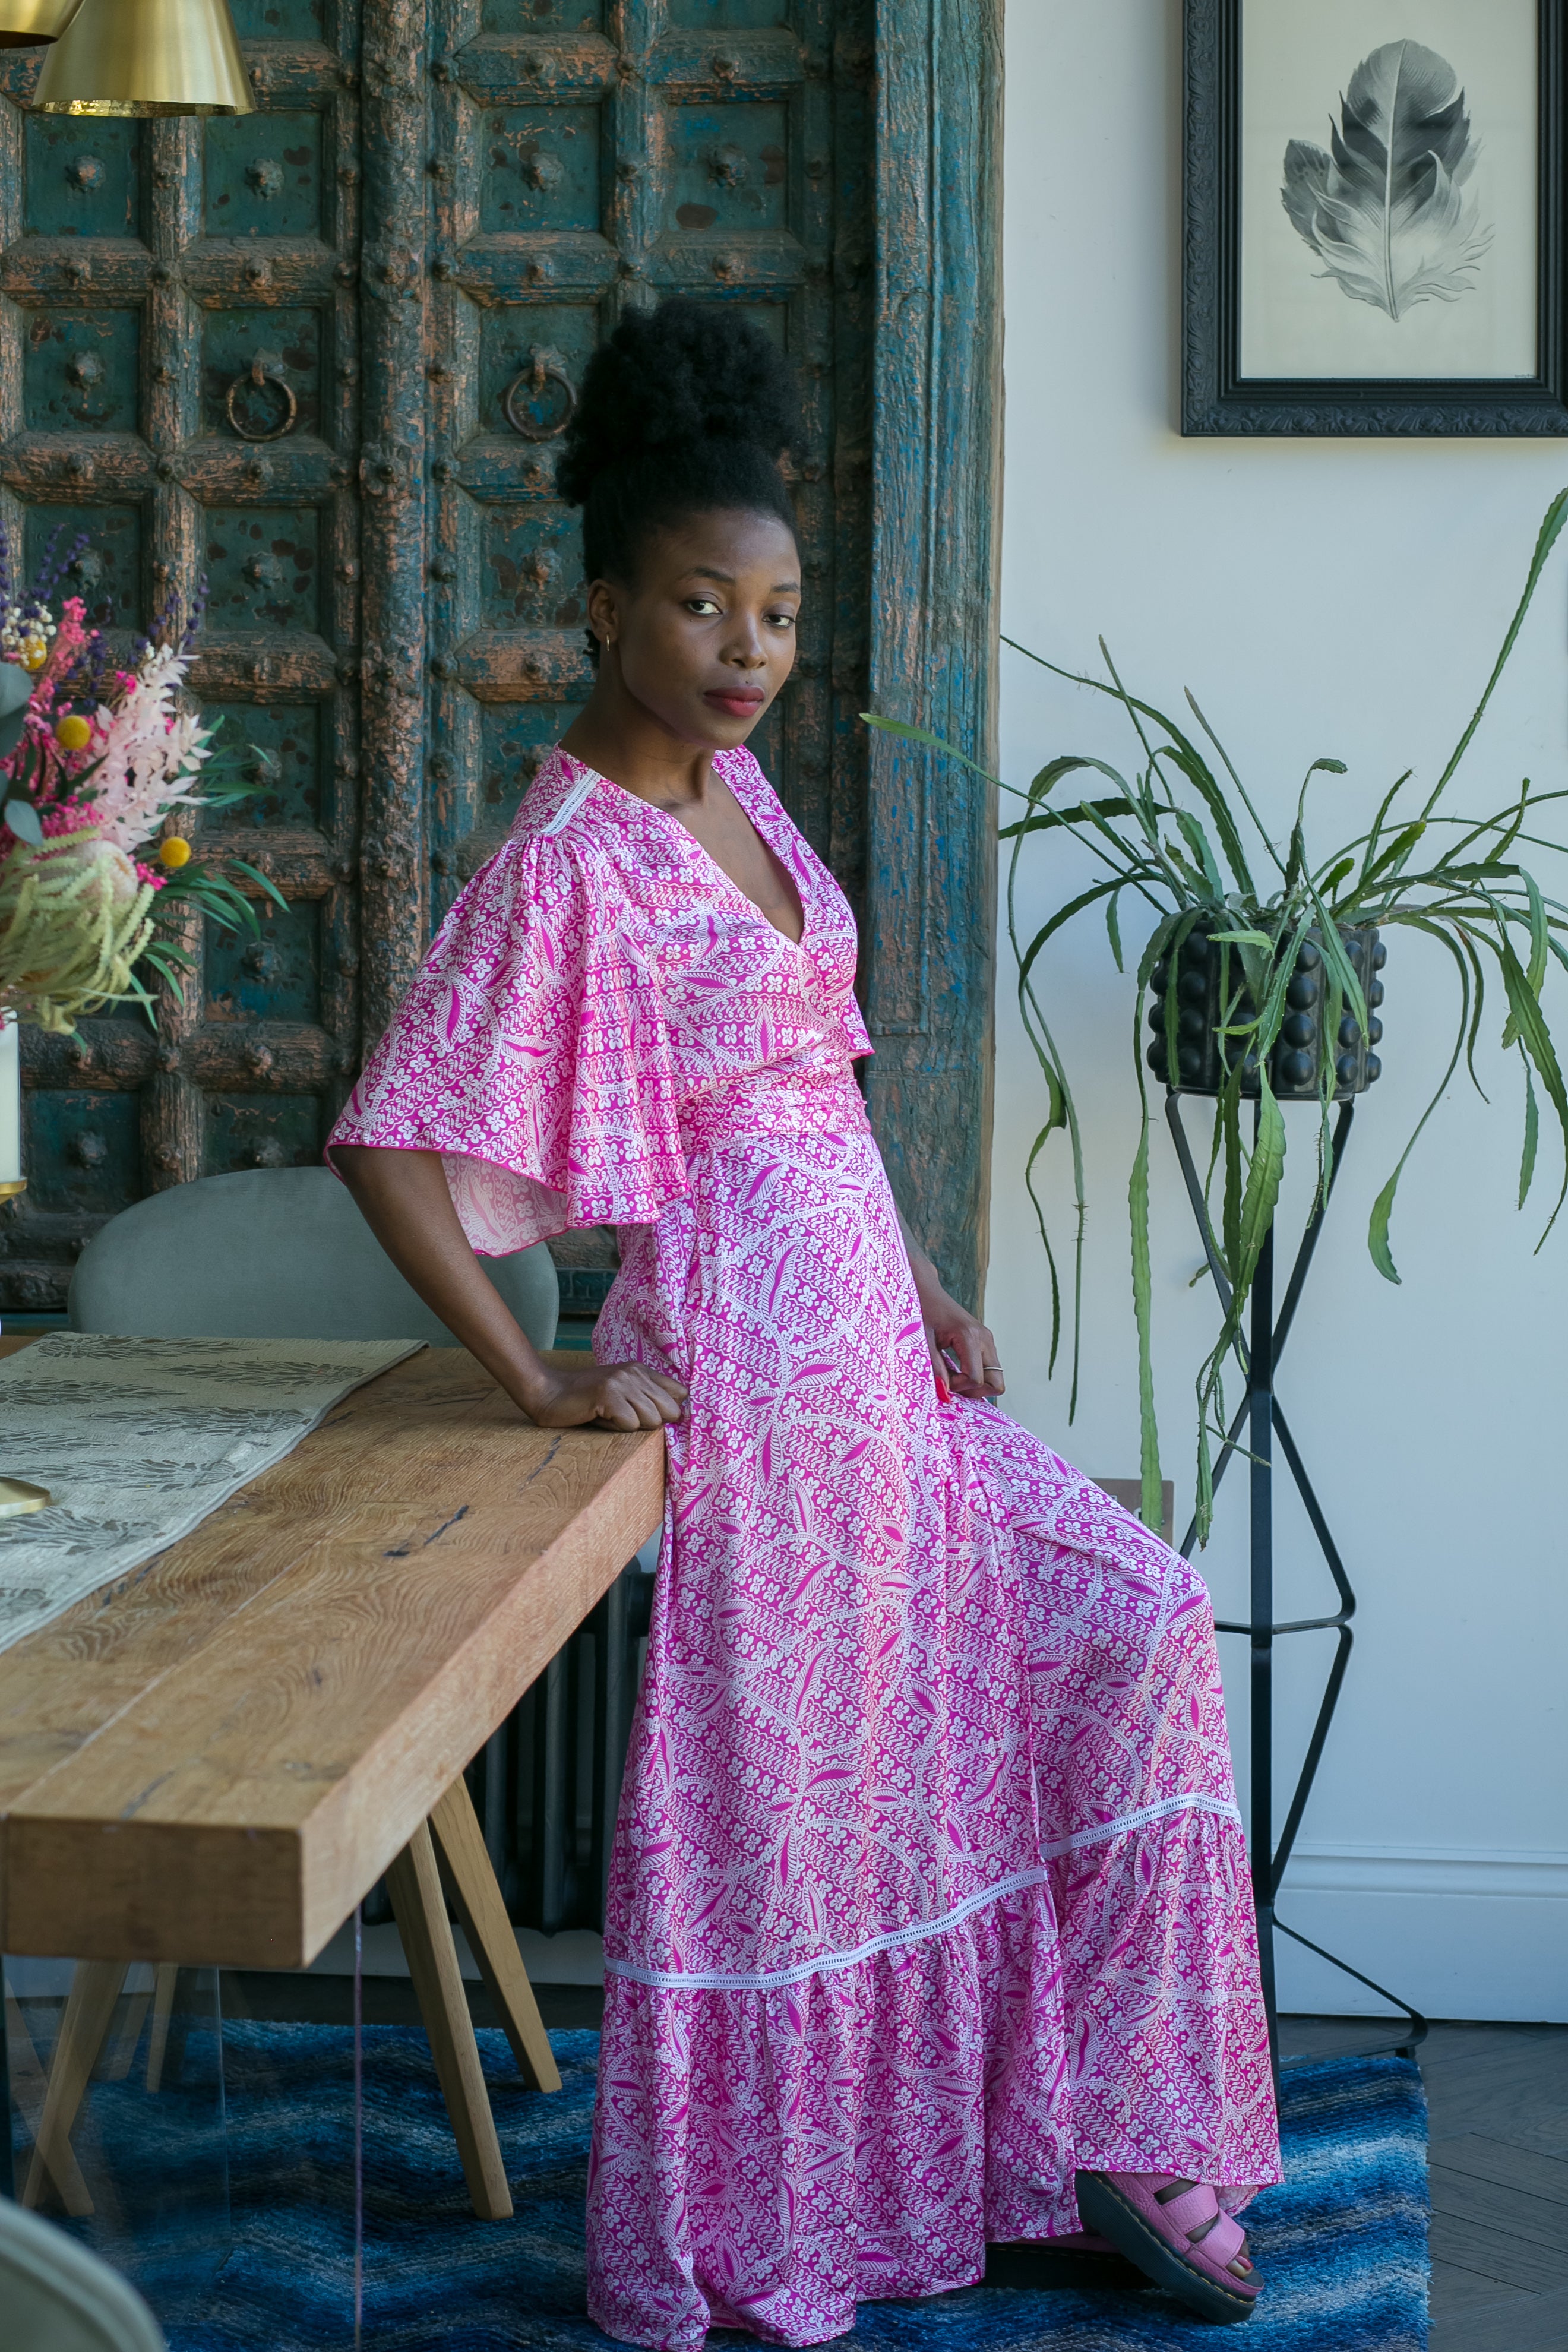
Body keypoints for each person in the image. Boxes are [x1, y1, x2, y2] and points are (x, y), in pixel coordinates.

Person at [328, 301, 1279, 2345]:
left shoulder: (741, 799)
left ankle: (1079, 2133)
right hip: (760, 1412)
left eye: (772, 610)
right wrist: (539, 1369)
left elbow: (815, 1079)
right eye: (700, 605)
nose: (748, 648)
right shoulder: (572, 848)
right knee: (809, 1841)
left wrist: (924, 1272)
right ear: (605, 609)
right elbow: (390, 1138)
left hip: (880, 1376)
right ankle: (812, 2219)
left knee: (1136, 1623)